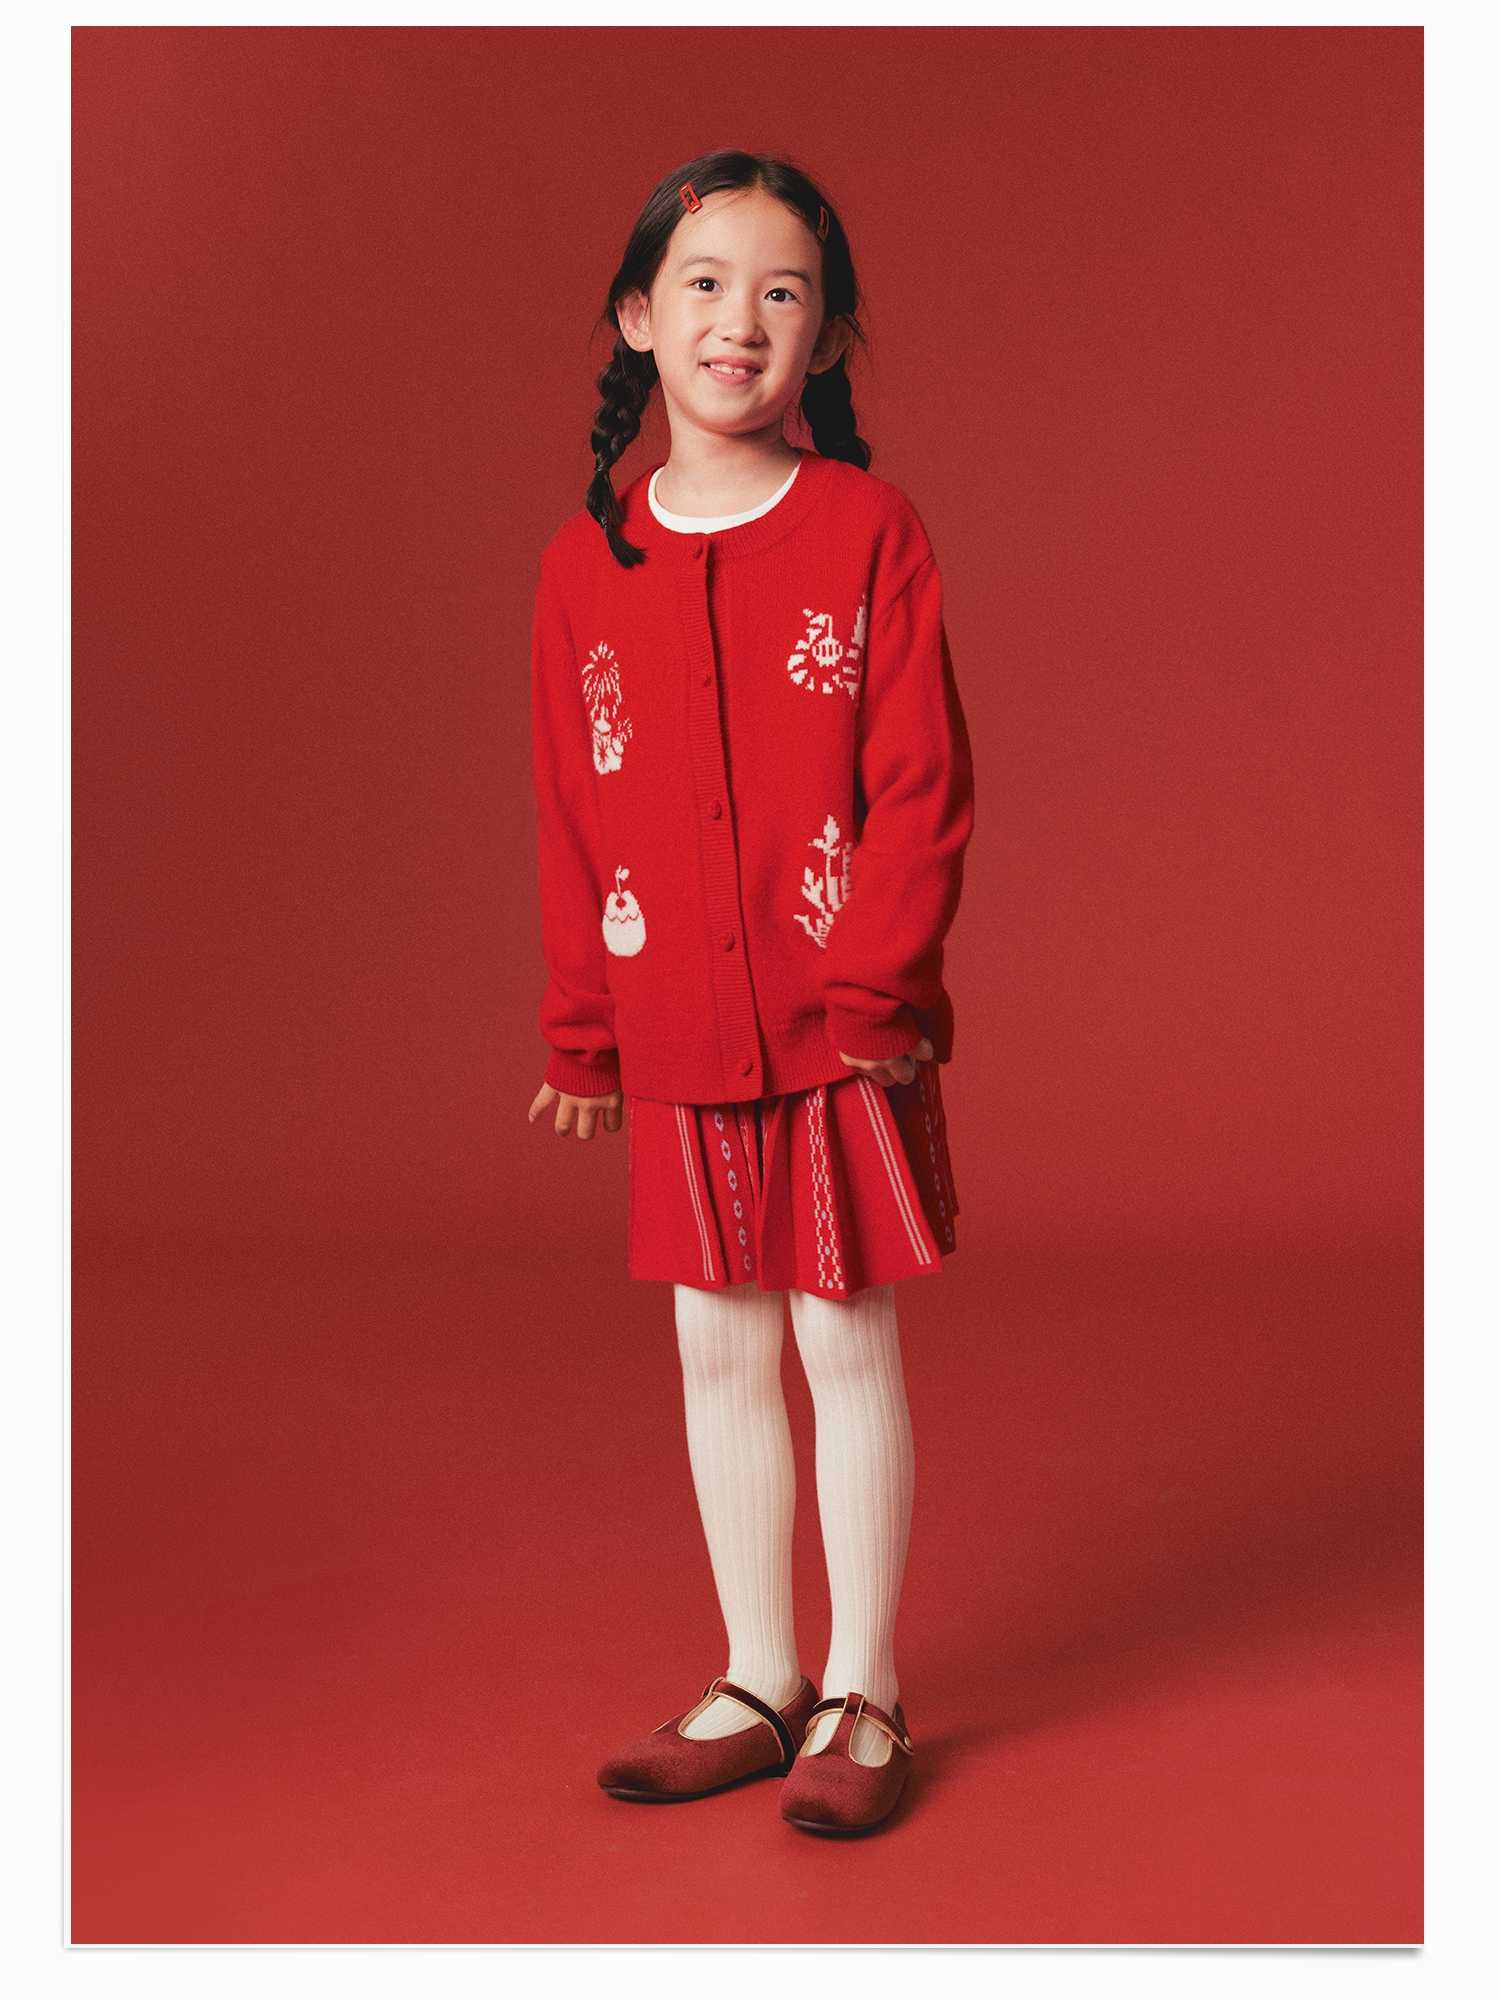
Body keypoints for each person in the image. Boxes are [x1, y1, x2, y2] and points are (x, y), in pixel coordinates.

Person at [525, 150, 975, 1835]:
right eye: (704, 284)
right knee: (714, 1345)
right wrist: (585, 1027)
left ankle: (867, 1688)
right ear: (639, 318)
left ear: (827, 337)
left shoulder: (870, 530)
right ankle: (758, 1676)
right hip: (678, 1024)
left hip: (837, 1022)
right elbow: (572, 802)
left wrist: (880, 991)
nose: (740, 320)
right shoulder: (587, 561)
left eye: (784, 292)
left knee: (841, 1339)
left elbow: (922, 781)